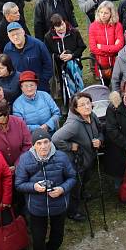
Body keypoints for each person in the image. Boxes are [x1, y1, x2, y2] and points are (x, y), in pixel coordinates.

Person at [15, 128, 75, 250]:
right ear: (33, 145)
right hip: (37, 207)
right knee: (38, 240)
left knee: (58, 236)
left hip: (59, 204)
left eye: (46, 142)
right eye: (39, 143)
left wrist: (62, 189)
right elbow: (19, 184)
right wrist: (34, 187)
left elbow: (72, 177)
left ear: (50, 142)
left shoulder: (61, 157)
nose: (43, 146)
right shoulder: (25, 160)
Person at [52, 93, 104, 222]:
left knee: (86, 178)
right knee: (75, 186)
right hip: (76, 162)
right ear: (75, 109)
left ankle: (83, 193)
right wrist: (70, 146)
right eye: (82, 105)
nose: (87, 106)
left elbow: (101, 131)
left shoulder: (92, 115)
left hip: (88, 158)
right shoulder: (73, 125)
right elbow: (55, 139)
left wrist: (100, 141)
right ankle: (72, 212)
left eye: (88, 103)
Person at [4, 21, 54, 94]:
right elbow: (8, 69)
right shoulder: (7, 49)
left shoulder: (38, 45)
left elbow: (48, 64)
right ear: (8, 37)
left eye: (17, 33)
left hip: (40, 86)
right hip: (20, 87)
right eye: (12, 35)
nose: (15, 37)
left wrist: (42, 81)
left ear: (23, 32)